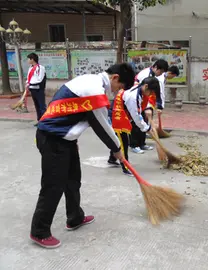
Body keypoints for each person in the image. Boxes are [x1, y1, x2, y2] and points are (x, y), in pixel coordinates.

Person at [30, 63, 135, 249]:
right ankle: (39, 231)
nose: (117, 92)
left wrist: (72, 135)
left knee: (73, 180)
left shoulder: (89, 80)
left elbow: (74, 113)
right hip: (53, 138)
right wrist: (117, 149)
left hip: (64, 139)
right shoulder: (94, 89)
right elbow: (102, 125)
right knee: (53, 185)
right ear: (115, 78)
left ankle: (75, 217)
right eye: (119, 87)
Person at [107, 77, 161, 175]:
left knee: (118, 139)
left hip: (124, 113)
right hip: (117, 115)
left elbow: (140, 109)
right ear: (146, 86)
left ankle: (112, 158)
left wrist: (148, 110)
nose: (150, 94)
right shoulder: (133, 97)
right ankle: (126, 167)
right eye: (150, 92)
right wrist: (146, 128)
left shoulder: (139, 90)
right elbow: (136, 116)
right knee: (123, 141)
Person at [130, 59, 169, 154]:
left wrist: (159, 106)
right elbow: (140, 91)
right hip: (136, 100)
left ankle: (142, 143)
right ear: (155, 67)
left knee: (145, 122)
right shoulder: (145, 75)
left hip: (145, 101)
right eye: (161, 71)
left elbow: (157, 92)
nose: (161, 74)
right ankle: (134, 145)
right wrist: (147, 107)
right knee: (137, 122)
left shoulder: (155, 77)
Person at [26, 53, 47, 125]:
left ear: (32, 59)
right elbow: (29, 78)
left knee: (42, 106)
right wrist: (27, 84)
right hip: (32, 89)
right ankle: (39, 120)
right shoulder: (30, 68)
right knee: (36, 105)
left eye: (28, 59)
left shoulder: (40, 68)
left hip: (39, 89)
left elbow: (39, 79)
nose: (27, 60)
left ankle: (45, 121)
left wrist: (30, 83)